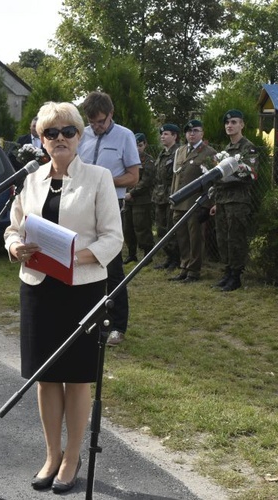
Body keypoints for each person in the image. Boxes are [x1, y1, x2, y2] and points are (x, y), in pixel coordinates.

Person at [3, 101, 123, 494]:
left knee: (77, 377)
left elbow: (112, 238)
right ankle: (51, 454)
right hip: (38, 286)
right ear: (41, 140)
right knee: (45, 376)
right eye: (50, 133)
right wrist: (15, 245)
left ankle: (72, 458)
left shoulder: (99, 178)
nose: (59, 139)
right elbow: (13, 227)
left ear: (80, 135)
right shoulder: (31, 179)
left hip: (82, 287)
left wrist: (72, 256)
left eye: (67, 131)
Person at [78, 91, 140, 346]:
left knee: (112, 266)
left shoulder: (124, 136)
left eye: (101, 121)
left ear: (111, 114)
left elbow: (133, 176)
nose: (96, 126)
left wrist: (104, 180)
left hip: (110, 206)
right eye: (92, 122)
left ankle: (117, 326)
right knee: (83, 262)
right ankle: (88, 321)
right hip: (81, 205)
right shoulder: (81, 134)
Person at [209, 109, 260, 291]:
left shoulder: (248, 148)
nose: (230, 126)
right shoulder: (226, 150)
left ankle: (236, 276)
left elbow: (250, 174)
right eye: (227, 123)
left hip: (238, 201)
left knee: (235, 238)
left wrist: (225, 177)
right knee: (223, 238)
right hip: (223, 200)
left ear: (242, 125)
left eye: (234, 122)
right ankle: (228, 272)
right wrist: (215, 201)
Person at [168, 119, 217, 283]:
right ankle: (184, 266)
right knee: (182, 236)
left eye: (196, 131)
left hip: (196, 203)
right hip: (179, 203)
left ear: (202, 133)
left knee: (195, 238)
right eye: (189, 131)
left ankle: (194, 271)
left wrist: (207, 204)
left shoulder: (209, 153)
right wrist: (173, 199)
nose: (192, 134)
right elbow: (176, 177)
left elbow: (213, 181)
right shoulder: (180, 151)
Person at [122, 132, 155, 264]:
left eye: (140, 145)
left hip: (142, 201)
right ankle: (132, 254)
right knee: (127, 228)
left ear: (145, 145)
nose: (137, 148)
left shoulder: (148, 161)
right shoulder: (127, 159)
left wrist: (132, 193)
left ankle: (148, 255)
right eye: (134, 145)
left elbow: (146, 181)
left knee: (142, 228)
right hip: (127, 200)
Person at [151, 124, 181, 270]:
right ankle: (168, 257)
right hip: (159, 196)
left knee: (172, 229)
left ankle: (176, 259)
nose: (162, 136)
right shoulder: (162, 153)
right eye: (162, 134)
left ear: (175, 136)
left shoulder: (178, 152)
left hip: (171, 194)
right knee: (161, 229)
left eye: (166, 134)